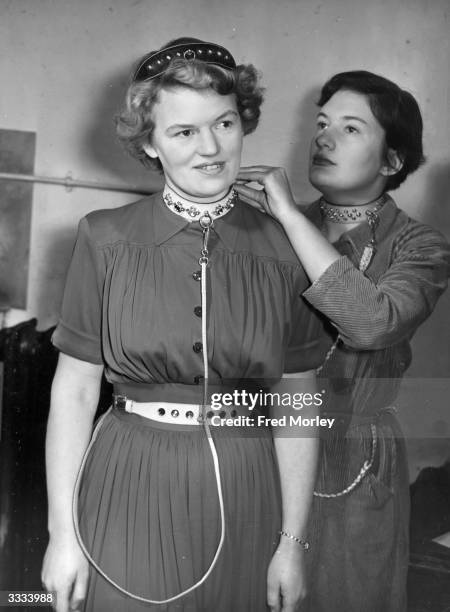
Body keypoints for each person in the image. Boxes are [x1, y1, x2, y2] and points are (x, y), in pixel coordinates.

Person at [41, 38, 325, 612]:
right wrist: (62, 536)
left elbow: (299, 398)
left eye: (224, 122)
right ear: (149, 142)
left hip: (250, 487)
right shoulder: (104, 236)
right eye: (184, 132)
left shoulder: (288, 246)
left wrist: (293, 543)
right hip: (128, 477)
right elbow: (73, 391)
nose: (211, 147)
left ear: (243, 120)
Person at [235, 70, 450, 612]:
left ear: (392, 161)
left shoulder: (420, 246)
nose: (324, 138)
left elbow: (374, 323)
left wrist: (285, 214)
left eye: (351, 129)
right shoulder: (263, 227)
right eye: (322, 123)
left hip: (356, 464)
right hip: (268, 449)